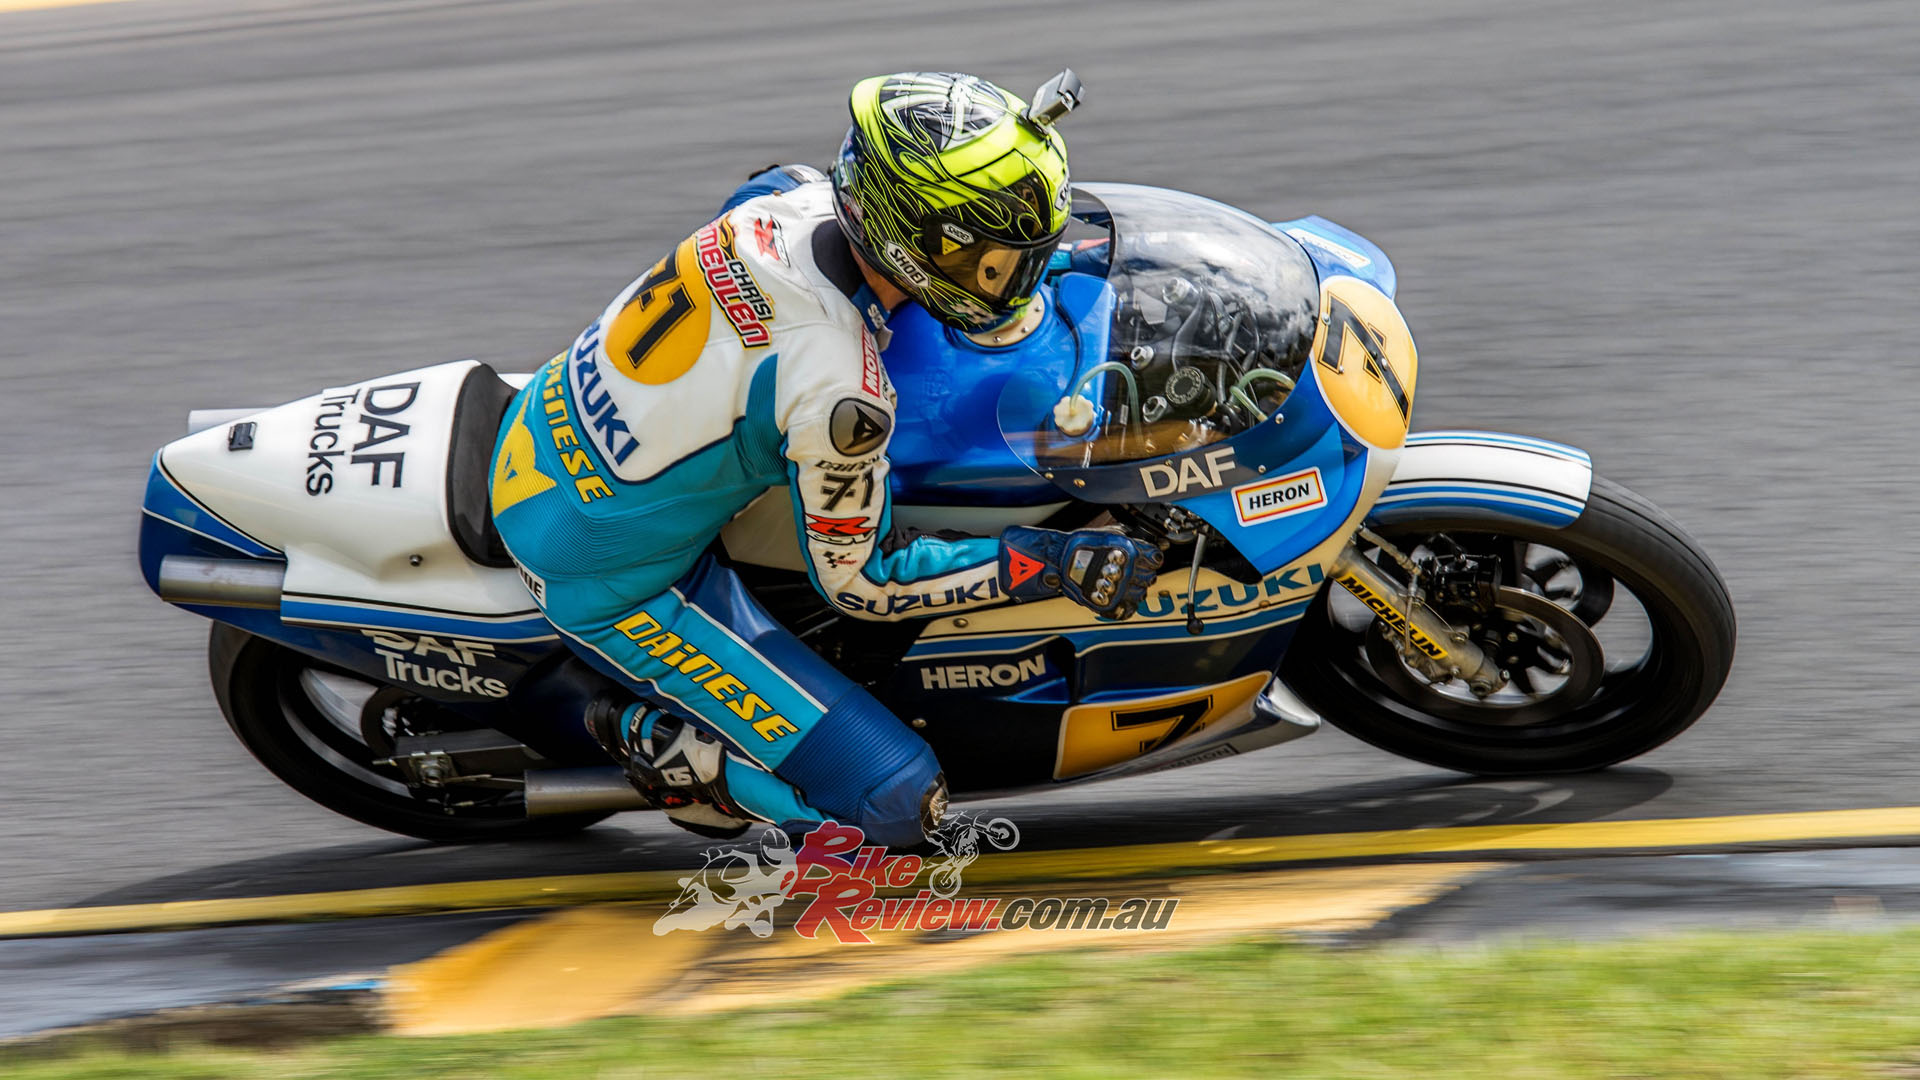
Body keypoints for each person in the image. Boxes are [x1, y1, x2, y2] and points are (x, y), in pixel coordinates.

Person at [489, 70, 1162, 845]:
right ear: (912, 239)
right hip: (607, 573)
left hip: (551, 428)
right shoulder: (844, 392)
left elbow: (758, 187)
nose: (1012, 278)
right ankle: (663, 746)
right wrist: (1044, 562)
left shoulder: (789, 202)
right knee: (895, 806)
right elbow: (864, 583)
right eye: (993, 260)